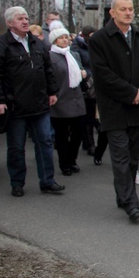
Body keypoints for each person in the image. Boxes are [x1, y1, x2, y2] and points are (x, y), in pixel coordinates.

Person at [0, 6, 65, 197]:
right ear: (10, 23)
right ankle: (17, 182)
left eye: (26, 18)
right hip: (15, 105)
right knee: (16, 146)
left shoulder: (36, 43)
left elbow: (47, 69)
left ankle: (47, 181)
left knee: (45, 142)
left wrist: (52, 91)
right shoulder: (0, 46)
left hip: (39, 103)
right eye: (20, 19)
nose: (25, 21)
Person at [89, 0, 139, 222]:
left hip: (137, 107)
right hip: (114, 108)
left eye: (131, 9)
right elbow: (102, 74)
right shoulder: (99, 39)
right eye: (123, 9)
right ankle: (131, 202)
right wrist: (130, 93)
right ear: (113, 12)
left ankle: (123, 195)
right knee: (120, 156)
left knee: (133, 158)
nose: (128, 13)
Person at [48, 27, 87, 176]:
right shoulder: (50, 56)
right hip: (60, 100)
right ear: (54, 41)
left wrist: (83, 73)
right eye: (61, 37)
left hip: (77, 99)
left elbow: (81, 71)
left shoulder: (74, 55)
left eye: (66, 37)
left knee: (78, 132)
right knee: (62, 135)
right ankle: (64, 163)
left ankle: (72, 159)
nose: (65, 40)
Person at [71, 26, 97, 155]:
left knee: (92, 116)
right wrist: (86, 76)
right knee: (88, 116)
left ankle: (89, 142)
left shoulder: (96, 46)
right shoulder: (77, 48)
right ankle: (89, 143)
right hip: (85, 84)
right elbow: (78, 65)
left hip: (96, 83)